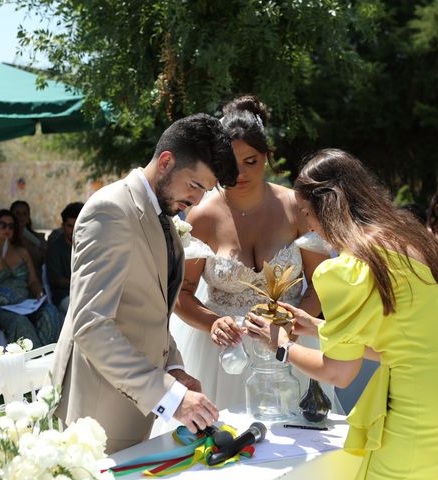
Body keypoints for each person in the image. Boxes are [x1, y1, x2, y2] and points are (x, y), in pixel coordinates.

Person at [246, 149, 438, 479]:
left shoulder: (346, 268)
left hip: (428, 423)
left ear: (327, 207)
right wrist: (317, 328)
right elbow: (404, 343)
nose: (307, 225)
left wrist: (281, 346)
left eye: (307, 213)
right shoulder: (415, 238)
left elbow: (339, 373)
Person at [50, 113, 238, 454]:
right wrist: (170, 397)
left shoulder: (163, 213)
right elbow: (91, 326)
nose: (197, 201)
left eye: (205, 191)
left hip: (136, 406)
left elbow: (147, 311)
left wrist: (176, 369)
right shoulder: (111, 211)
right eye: (195, 186)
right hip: (99, 413)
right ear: (166, 161)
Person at [171, 96, 329, 410]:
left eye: (250, 161)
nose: (239, 173)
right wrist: (214, 323)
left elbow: (320, 285)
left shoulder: (296, 208)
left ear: (266, 157)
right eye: (230, 163)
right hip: (224, 356)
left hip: (292, 344)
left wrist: (289, 328)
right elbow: (182, 295)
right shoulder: (201, 216)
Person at [0, 209, 61, 347]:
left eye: (11, 226)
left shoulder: (21, 251)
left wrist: (39, 292)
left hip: (24, 304)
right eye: (3, 225)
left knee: (51, 312)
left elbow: (32, 281)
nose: (7, 229)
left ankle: (49, 357)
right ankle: (33, 362)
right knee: (20, 322)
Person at [45, 202, 84, 315]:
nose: (73, 230)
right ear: (63, 226)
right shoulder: (55, 248)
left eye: (77, 225)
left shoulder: (90, 245)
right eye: (69, 226)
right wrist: (82, 282)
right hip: (65, 295)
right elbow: (57, 280)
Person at [10, 200, 47, 273]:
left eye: (24, 214)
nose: (21, 217)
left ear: (28, 217)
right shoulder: (5, 237)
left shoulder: (39, 239)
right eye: (17, 213)